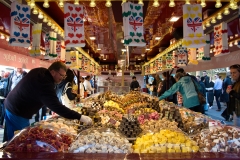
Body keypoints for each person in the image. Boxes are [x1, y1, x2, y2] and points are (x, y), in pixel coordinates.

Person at [4, 61, 92, 140]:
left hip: (12, 105)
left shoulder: (41, 71)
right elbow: (57, 106)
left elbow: (38, 94)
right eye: (61, 75)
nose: (62, 78)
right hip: (17, 111)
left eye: (64, 76)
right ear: (53, 72)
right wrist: (80, 117)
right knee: (19, 141)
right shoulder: (44, 83)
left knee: (13, 137)